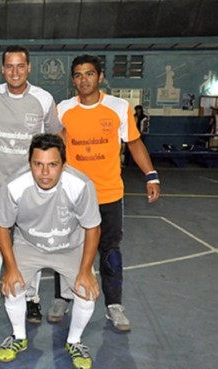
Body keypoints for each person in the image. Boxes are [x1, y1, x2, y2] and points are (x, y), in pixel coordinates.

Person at [49, 54, 161, 331]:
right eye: (77, 75)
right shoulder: (63, 110)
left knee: (110, 250)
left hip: (109, 194)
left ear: (100, 77)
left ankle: (114, 305)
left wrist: (151, 175)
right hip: (72, 195)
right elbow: (55, 148)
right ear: (72, 79)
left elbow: (134, 144)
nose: (83, 79)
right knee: (66, 248)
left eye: (88, 74)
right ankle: (62, 297)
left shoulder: (118, 107)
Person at [0, 134, 101, 369]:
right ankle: (19, 337)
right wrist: (10, 269)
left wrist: (85, 271)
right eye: (38, 164)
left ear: (63, 165)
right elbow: (2, 227)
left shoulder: (80, 185)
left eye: (52, 165)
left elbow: (92, 228)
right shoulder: (14, 186)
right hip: (28, 244)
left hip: (70, 247)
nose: (44, 172)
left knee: (87, 290)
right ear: (29, 163)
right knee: (12, 286)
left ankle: (74, 341)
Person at [0, 45, 62, 321]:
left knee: (31, 240)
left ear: (28, 68)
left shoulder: (43, 98)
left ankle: (31, 297)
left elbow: (56, 134)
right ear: (2, 69)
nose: (15, 71)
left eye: (20, 66)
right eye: (9, 66)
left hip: (31, 187)